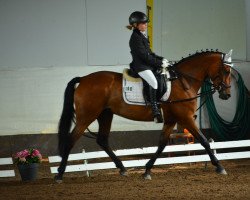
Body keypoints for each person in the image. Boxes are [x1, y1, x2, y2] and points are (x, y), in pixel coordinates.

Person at [127, 11, 170, 123]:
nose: (145, 25)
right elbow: (144, 56)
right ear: (136, 24)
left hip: (146, 64)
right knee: (154, 82)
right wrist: (159, 64)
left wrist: (161, 59)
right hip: (141, 66)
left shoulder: (141, 35)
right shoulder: (135, 38)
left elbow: (149, 53)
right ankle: (155, 110)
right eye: (143, 23)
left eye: (146, 23)